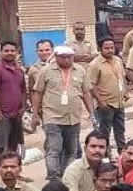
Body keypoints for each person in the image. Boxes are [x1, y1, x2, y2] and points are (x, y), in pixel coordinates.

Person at [32, 45, 92, 181]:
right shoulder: (46, 71)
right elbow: (37, 93)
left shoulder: (80, 70)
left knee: (71, 151)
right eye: (63, 57)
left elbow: (86, 93)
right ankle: (53, 177)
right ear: (56, 57)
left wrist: (91, 113)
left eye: (69, 57)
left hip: (73, 118)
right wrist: (35, 114)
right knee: (54, 149)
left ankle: (66, 177)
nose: (66, 60)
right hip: (52, 117)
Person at [0, 41, 27, 169]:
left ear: (17, 53)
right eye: (6, 50)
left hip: (16, 115)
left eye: (12, 51)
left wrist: (23, 107)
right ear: (1, 53)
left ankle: (12, 173)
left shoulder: (19, 70)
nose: (9, 53)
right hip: (3, 116)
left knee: (13, 146)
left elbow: (23, 90)